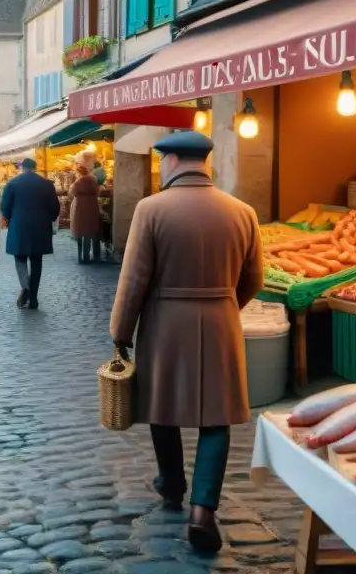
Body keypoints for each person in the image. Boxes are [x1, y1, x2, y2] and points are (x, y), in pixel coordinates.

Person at [109, 131, 264, 553]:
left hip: (165, 320)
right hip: (220, 321)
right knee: (217, 417)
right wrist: (225, 305)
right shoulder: (242, 212)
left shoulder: (151, 209)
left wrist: (121, 332)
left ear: (173, 160)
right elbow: (254, 279)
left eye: (162, 161)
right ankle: (203, 510)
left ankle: (171, 484)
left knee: (164, 406)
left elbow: (134, 279)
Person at [0, 158, 59, 310]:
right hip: (40, 227)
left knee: (20, 258)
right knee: (37, 261)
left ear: (22, 168)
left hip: (19, 226)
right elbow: (55, 207)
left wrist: (9, 218)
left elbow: (4, 206)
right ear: (35, 168)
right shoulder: (46, 184)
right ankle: (34, 298)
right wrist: (49, 219)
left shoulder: (12, 183)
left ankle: (25, 286)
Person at [69, 164, 101, 264]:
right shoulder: (93, 180)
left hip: (80, 208)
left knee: (81, 231)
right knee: (92, 231)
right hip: (92, 206)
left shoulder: (77, 182)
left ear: (78, 172)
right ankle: (96, 255)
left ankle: (83, 256)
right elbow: (98, 192)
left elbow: (71, 194)